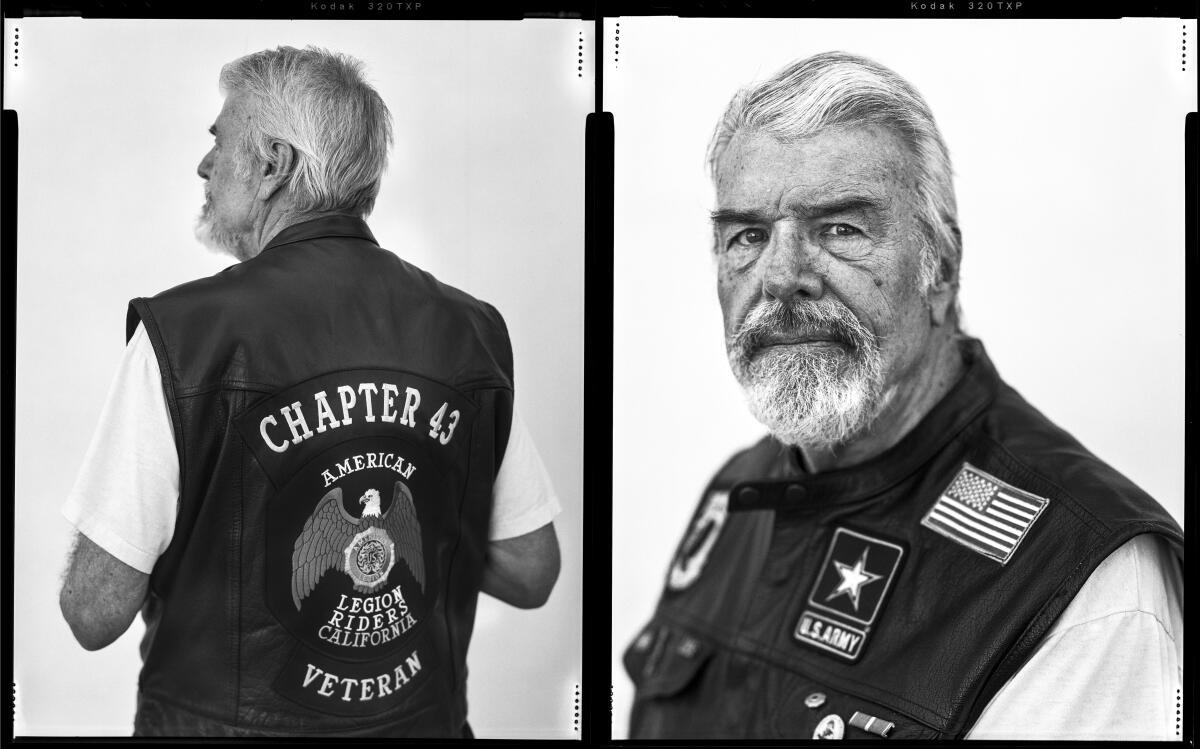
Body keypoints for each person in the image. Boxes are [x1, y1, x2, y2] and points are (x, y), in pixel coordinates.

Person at [623, 51, 1183, 741]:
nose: (780, 276)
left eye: (840, 229)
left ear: (941, 268)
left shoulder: (1082, 576)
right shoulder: (739, 491)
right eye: (748, 235)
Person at [58, 46, 561, 738]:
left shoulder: (185, 334)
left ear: (272, 163)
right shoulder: (469, 330)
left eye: (219, 142)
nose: (204, 166)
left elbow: (94, 610)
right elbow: (532, 568)